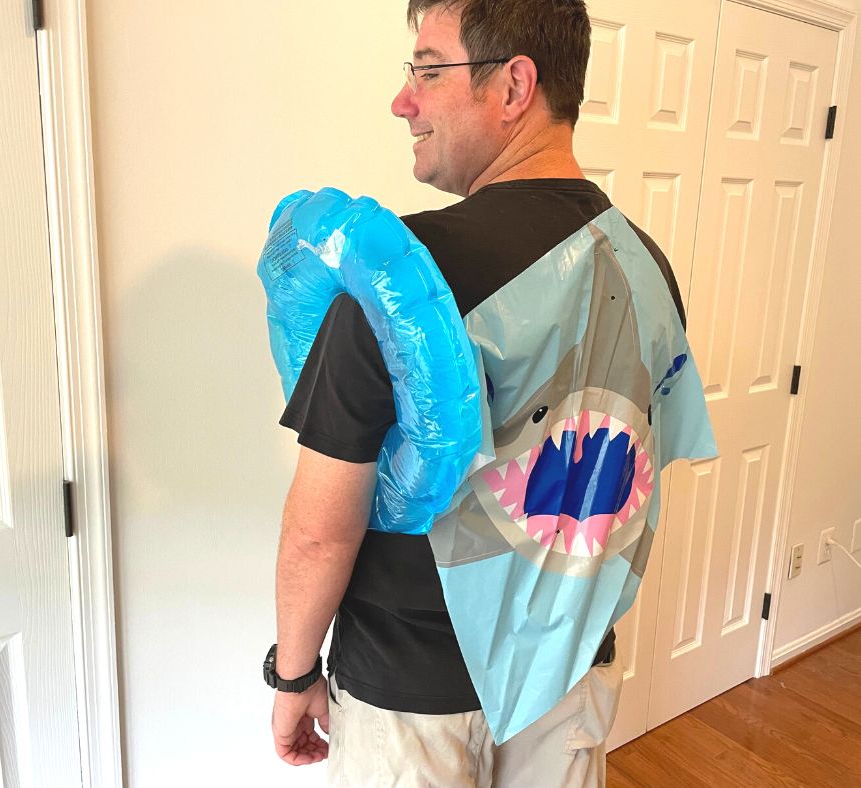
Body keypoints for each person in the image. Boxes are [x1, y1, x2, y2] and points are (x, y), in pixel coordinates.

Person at [267, 1, 687, 784]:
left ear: (514, 85)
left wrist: (292, 676)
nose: (404, 100)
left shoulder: (395, 281)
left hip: (411, 693)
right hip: (570, 669)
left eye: (428, 71)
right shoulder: (648, 267)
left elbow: (319, 531)